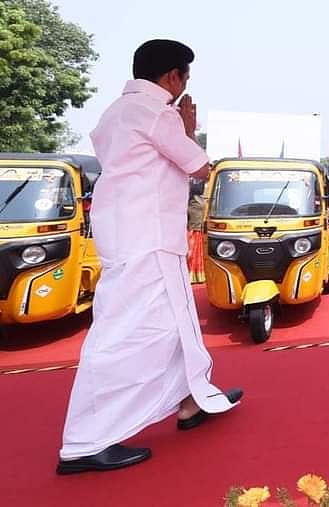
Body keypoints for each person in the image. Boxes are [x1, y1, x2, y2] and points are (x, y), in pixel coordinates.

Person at [57, 40, 242, 475]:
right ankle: (84, 441)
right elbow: (198, 167)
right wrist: (188, 130)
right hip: (149, 239)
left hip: (129, 236)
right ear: (173, 77)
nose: (185, 87)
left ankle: (191, 400)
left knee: (175, 323)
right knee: (125, 334)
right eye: (185, 77)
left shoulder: (114, 113)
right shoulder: (159, 113)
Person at [187, 180, 207, 284]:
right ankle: (190, 275)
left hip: (199, 229)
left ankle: (197, 276)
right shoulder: (192, 198)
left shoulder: (199, 198)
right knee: (192, 254)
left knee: (197, 255)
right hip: (193, 230)